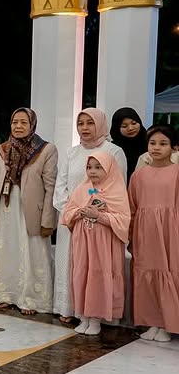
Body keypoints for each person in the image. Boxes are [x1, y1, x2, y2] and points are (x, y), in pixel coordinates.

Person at [53, 108, 127, 322]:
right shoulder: (72, 152)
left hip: (99, 222)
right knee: (71, 264)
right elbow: (61, 185)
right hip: (72, 218)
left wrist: (96, 212)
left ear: (101, 124)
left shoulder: (114, 151)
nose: (84, 128)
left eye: (90, 123)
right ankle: (69, 308)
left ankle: (97, 313)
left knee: (94, 265)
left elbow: (117, 186)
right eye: (81, 123)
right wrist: (72, 212)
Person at [0, 108, 59, 316]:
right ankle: (4, 294)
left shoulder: (46, 149)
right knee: (6, 249)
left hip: (31, 212)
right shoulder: (3, 149)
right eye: (14, 122)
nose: (18, 126)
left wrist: (48, 220)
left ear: (32, 125)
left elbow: (50, 187)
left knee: (32, 251)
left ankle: (31, 299)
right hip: (6, 209)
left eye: (23, 122)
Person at [62, 152, 130, 336]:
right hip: (83, 241)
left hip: (103, 244)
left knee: (98, 275)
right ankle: (83, 317)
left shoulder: (116, 191)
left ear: (109, 168)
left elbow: (123, 220)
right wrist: (80, 212)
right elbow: (67, 213)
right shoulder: (82, 189)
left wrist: (99, 216)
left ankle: (95, 319)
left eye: (98, 167)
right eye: (89, 167)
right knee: (82, 274)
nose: (92, 171)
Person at [129, 125, 179, 342]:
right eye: (152, 143)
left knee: (169, 272)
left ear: (174, 147)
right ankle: (152, 322)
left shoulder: (177, 173)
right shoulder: (138, 175)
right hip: (145, 232)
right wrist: (130, 234)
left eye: (163, 143)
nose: (156, 148)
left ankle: (168, 324)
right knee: (145, 272)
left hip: (170, 232)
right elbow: (132, 207)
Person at [111, 107, 148, 182]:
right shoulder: (113, 148)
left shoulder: (150, 143)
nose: (130, 128)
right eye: (124, 126)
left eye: (134, 123)